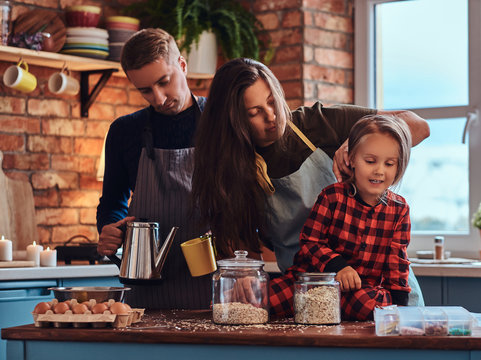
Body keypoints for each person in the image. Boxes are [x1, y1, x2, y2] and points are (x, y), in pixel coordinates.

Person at [191, 58, 429, 305]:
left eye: (272, 102)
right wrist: (244, 282)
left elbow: (419, 126)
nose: (271, 116)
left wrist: (355, 143)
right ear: (234, 120)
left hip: (380, 288)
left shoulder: (316, 123)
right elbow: (247, 255)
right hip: (311, 293)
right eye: (254, 113)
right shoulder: (234, 171)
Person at [96, 28, 211, 309]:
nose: (158, 98)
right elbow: (112, 203)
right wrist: (109, 228)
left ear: (182, 65)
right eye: (145, 90)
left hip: (214, 283)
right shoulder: (125, 131)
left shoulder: (219, 121)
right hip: (147, 288)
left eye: (164, 82)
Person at [270, 114, 412, 321]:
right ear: (352, 158)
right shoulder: (332, 196)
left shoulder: (399, 209)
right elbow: (310, 242)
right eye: (370, 161)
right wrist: (339, 267)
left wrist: (400, 308)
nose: (379, 170)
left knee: (370, 305)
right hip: (314, 284)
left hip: (361, 291)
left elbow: (397, 261)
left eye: (389, 164)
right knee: (264, 299)